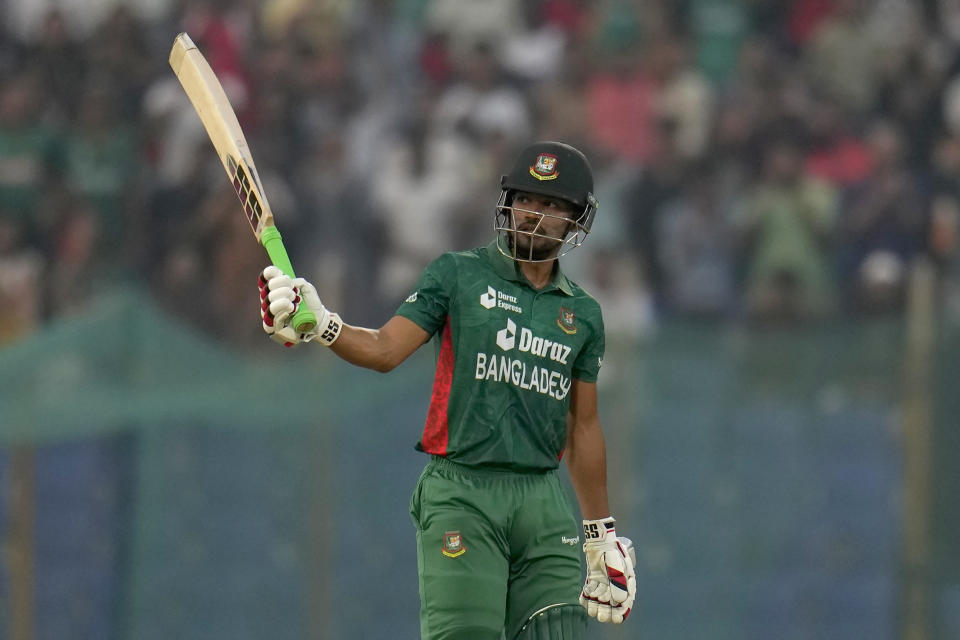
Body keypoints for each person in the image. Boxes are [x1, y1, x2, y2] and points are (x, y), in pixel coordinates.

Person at [257, 141, 636, 639]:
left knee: (560, 632)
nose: (534, 215)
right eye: (525, 200)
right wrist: (323, 324)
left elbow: (583, 426)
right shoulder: (459, 275)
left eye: (551, 206)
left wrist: (600, 533)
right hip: (463, 492)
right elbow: (385, 350)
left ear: (575, 221)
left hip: (543, 501)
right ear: (506, 204)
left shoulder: (583, 313)